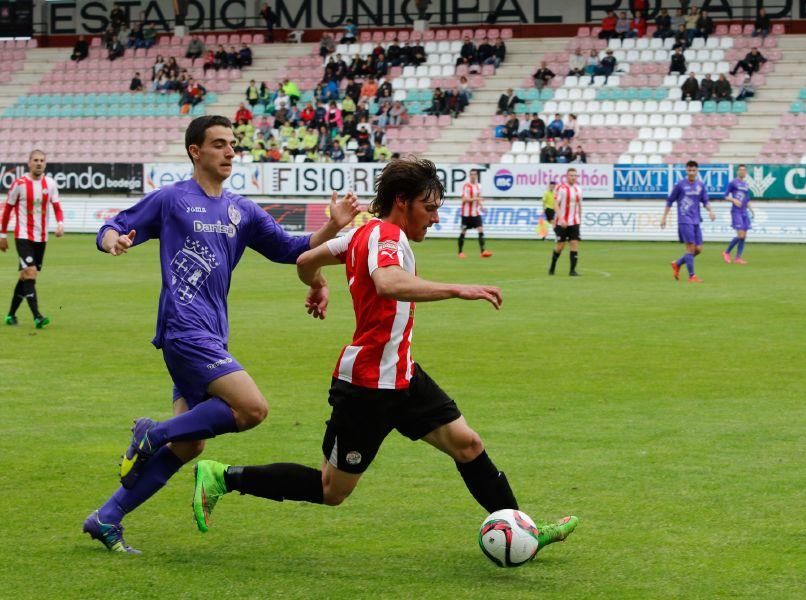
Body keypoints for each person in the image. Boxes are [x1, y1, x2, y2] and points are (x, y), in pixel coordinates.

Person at [190, 158, 579, 555]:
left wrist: (318, 284)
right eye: (429, 208)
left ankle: (522, 530)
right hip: (367, 386)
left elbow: (306, 261)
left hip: (403, 376)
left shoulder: (363, 233)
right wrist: (459, 289)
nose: (434, 218)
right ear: (401, 201)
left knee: (468, 445)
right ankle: (223, 476)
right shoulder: (387, 237)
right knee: (332, 489)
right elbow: (388, 282)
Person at [81, 115, 361, 554]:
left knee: (190, 443)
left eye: (232, 144)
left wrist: (334, 226)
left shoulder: (241, 210)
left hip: (211, 333)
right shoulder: (173, 199)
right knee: (252, 409)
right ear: (196, 151)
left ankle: (107, 517)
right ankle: (152, 432)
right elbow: (113, 225)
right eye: (219, 144)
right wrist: (112, 241)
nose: (230, 151)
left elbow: (291, 250)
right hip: (184, 328)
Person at [1, 150, 63, 328]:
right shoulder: (19, 184)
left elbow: (57, 206)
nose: (39, 163)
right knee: (30, 272)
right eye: (35, 160)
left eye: (42, 160)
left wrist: (60, 224)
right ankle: (37, 316)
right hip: (23, 236)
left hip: (41, 237)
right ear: (29, 163)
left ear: (45, 164)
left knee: (25, 277)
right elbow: (7, 211)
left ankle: (11, 315)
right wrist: (2, 235)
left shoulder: (50, 184)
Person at [660, 160, 715, 283]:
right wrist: (664, 217)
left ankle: (678, 263)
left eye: (693, 170)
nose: (691, 172)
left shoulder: (701, 185)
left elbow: (705, 201)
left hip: (696, 220)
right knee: (690, 248)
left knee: (699, 249)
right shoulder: (680, 185)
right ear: (686, 170)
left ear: (697, 171)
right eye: (689, 170)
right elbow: (670, 201)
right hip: (684, 220)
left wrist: (711, 211)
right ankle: (692, 276)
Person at [549, 168, 581, 276]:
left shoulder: (578, 189)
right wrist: (561, 219)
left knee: (574, 244)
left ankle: (572, 271)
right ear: (567, 176)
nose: (573, 177)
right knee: (560, 247)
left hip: (574, 221)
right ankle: (552, 267)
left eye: (575, 175)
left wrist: (580, 219)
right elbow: (556, 204)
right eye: (571, 175)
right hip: (561, 222)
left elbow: (579, 205)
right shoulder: (561, 188)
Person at [457, 169, 492, 259]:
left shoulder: (479, 186)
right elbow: (464, 199)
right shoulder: (466, 186)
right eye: (471, 174)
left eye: (474, 174)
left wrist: (482, 207)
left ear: (477, 176)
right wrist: (477, 199)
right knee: (463, 232)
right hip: (466, 215)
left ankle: (483, 251)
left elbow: (478, 200)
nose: (473, 176)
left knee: (481, 230)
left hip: (476, 213)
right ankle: (460, 252)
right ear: (469, 176)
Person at [722, 165, 752, 265]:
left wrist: (751, 209)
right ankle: (726, 252)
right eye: (740, 170)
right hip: (736, 211)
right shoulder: (733, 183)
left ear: (746, 172)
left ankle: (738, 258)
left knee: (744, 236)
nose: (742, 172)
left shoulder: (746, 184)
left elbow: (747, 199)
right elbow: (725, 196)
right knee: (740, 235)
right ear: (737, 172)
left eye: (744, 170)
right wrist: (734, 200)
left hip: (744, 211)